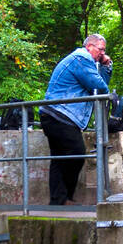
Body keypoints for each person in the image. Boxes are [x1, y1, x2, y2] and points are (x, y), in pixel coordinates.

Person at [39, 34, 113, 205]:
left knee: (59, 159)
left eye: (104, 50)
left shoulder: (81, 60)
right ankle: (64, 198)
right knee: (77, 153)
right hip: (60, 115)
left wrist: (104, 68)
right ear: (90, 47)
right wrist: (107, 66)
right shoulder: (82, 58)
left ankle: (58, 201)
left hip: (53, 115)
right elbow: (100, 88)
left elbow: (98, 88)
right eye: (100, 49)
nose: (102, 54)